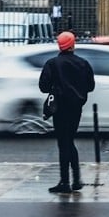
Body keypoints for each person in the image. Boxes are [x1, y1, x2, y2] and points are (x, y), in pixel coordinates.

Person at [37, 30, 95, 194]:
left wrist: (56, 86)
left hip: (60, 108)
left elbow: (43, 87)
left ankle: (65, 182)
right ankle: (76, 179)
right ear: (72, 45)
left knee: (64, 143)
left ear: (60, 45)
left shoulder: (52, 64)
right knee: (70, 141)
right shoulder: (83, 63)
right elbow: (90, 86)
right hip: (76, 108)